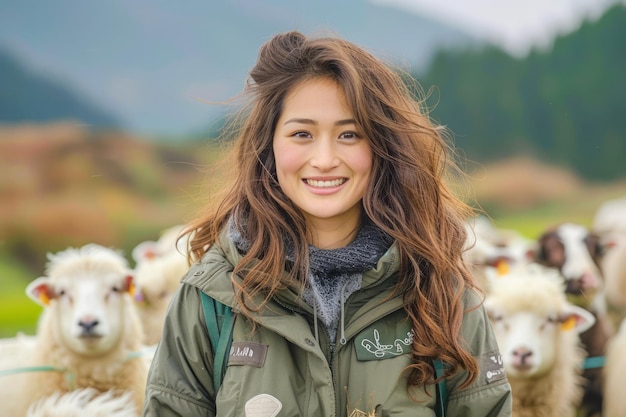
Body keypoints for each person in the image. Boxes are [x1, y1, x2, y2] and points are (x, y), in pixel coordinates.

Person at [142, 30, 512, 416]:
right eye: (302, 133)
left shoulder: (442, 292)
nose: (324, 159)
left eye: (349, 134)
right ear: (269, 143)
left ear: (383, 145)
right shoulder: (212, 298)